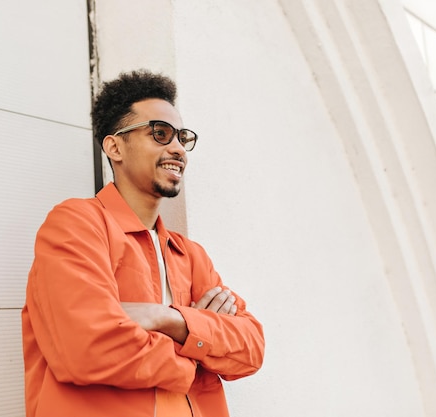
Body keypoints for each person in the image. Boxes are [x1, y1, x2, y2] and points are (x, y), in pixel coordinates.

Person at [21, 69, 265, 417]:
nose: (178, 148)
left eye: (182, 137)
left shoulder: (191, 255)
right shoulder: (76, 224)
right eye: (160, 134)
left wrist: (165, 319)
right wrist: (197, 352)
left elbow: (251, 349)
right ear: (115, 146)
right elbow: (86, 348)